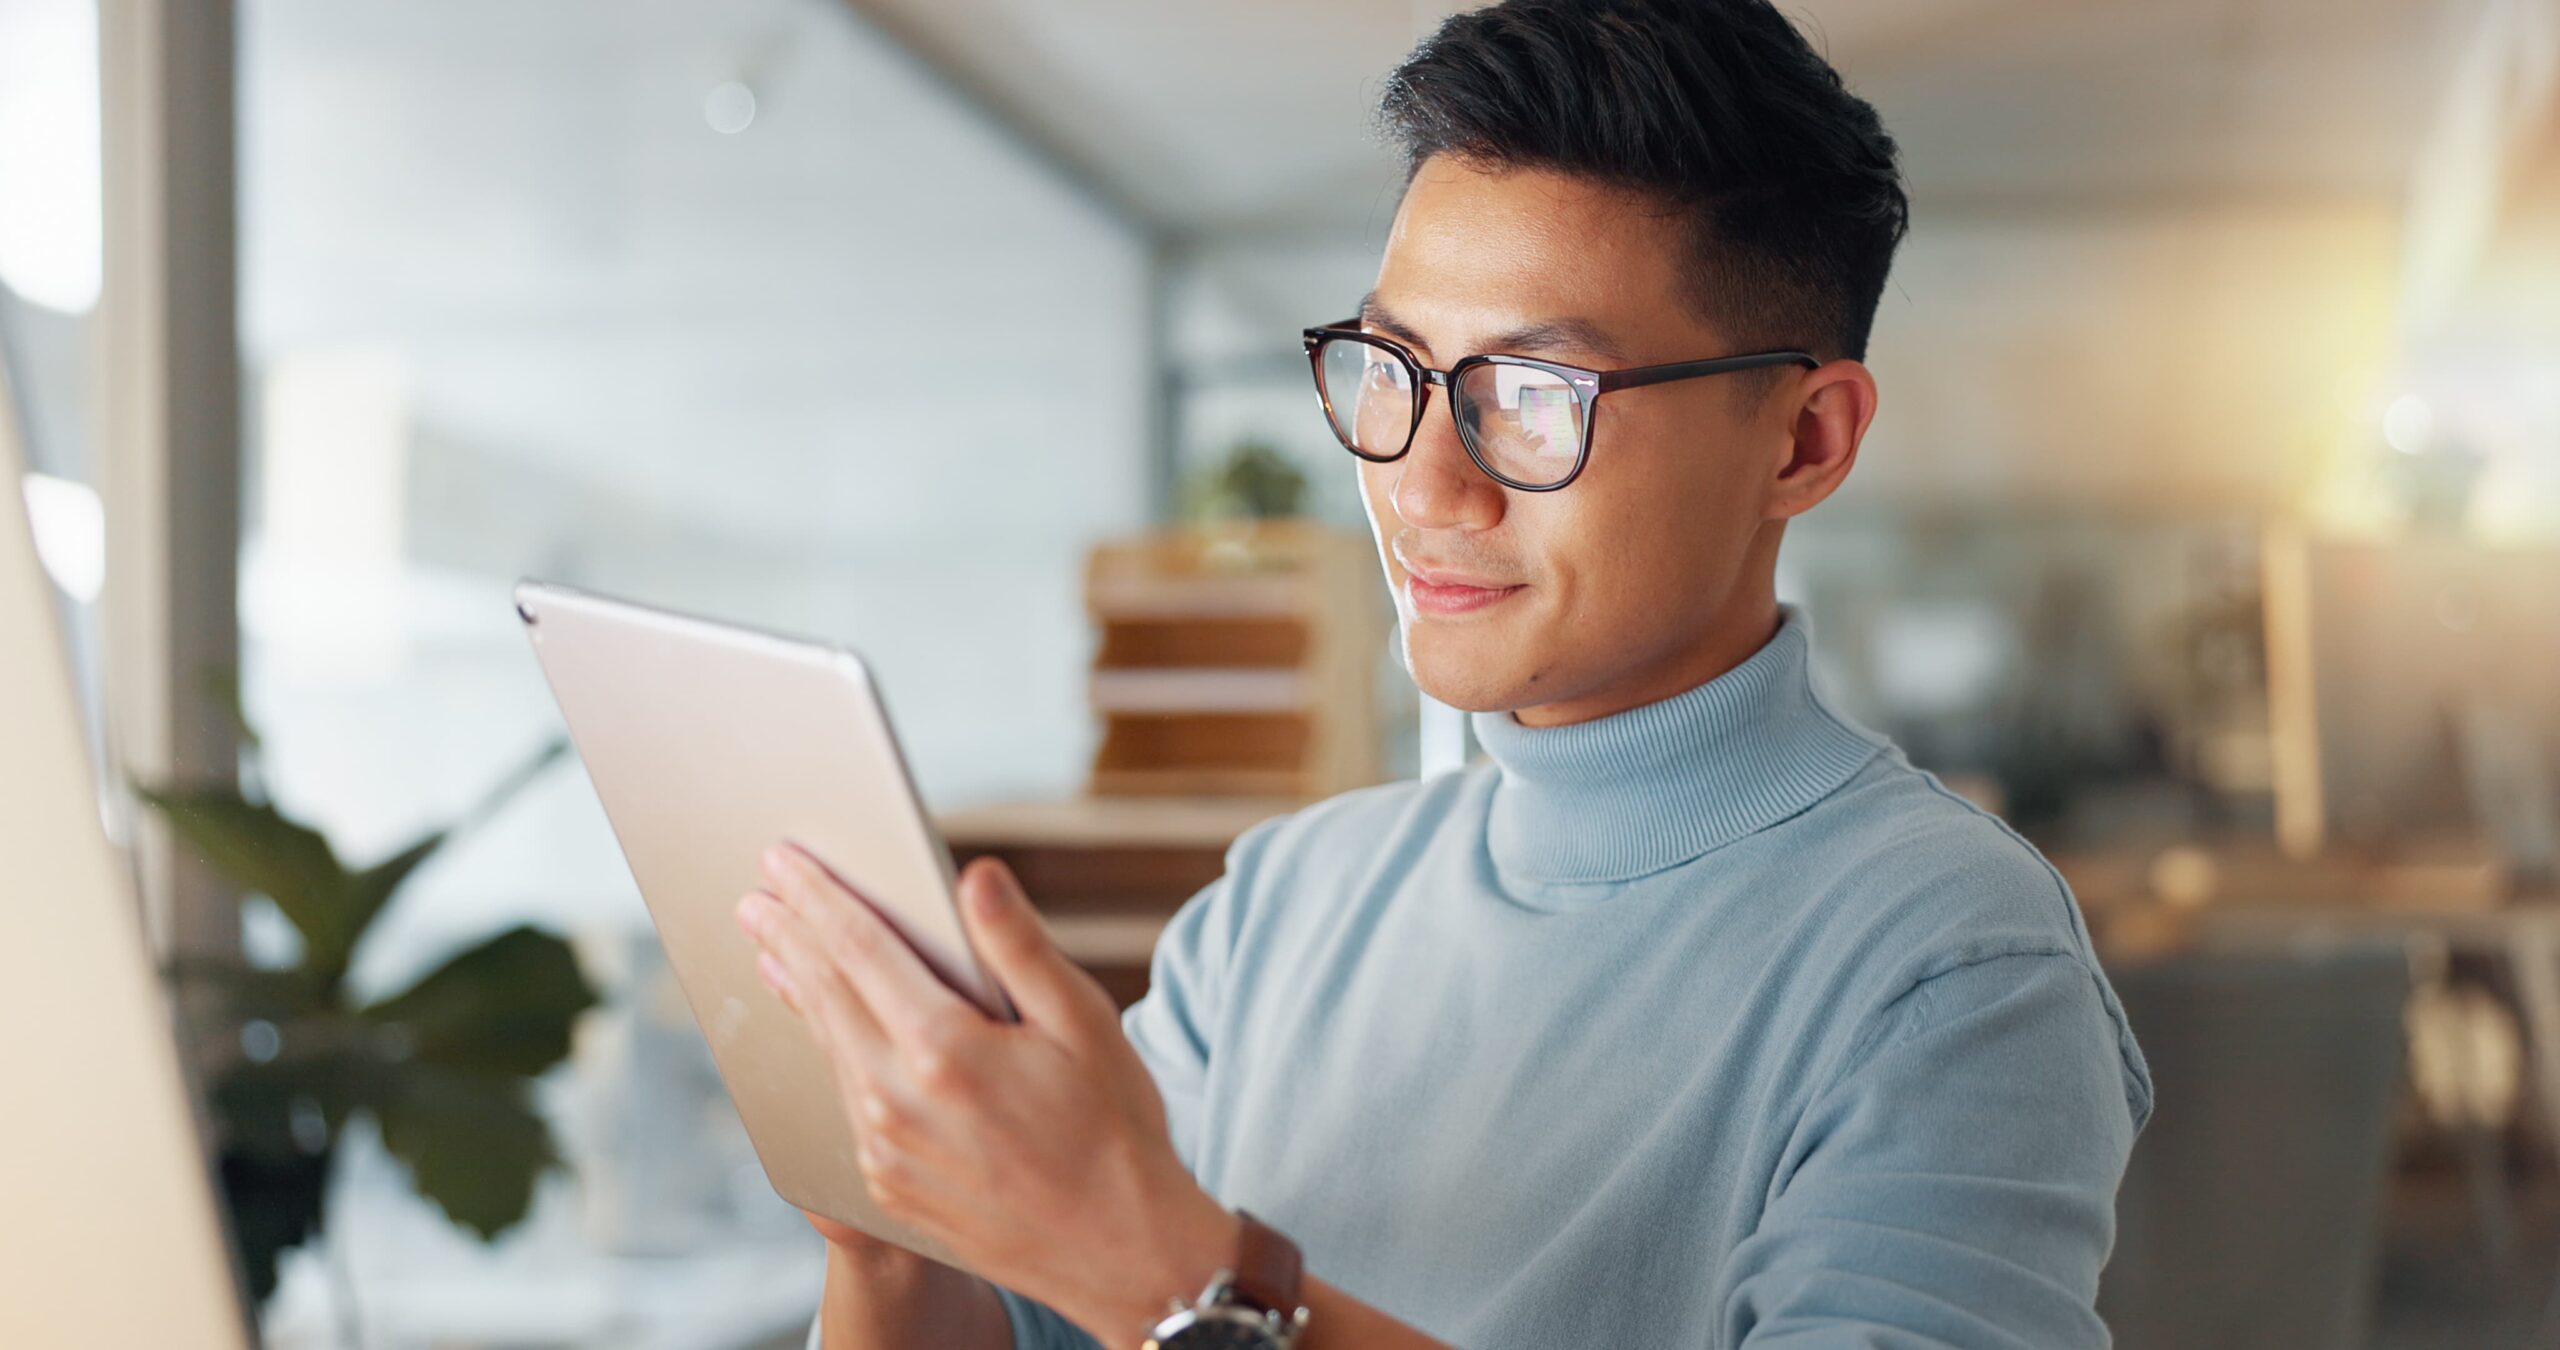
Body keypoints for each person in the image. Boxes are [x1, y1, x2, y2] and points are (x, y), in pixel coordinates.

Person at [744, 1, 2153, 1346]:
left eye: (1534, 397)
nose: (1420, 485)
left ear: (1802, 443)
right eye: (1396, 367)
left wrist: (1173, 1271)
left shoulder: (1954, 965)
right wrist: (891, 1223)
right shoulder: (1282, 906)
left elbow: (1143, 1286)